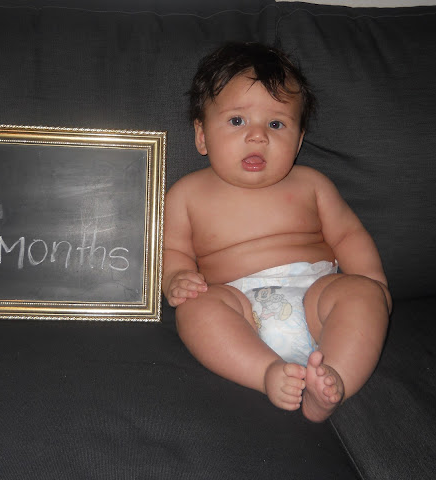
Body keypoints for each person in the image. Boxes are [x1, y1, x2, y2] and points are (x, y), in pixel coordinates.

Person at [162, 42, 392, 422]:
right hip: (239, 310)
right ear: (201, 135)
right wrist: (176, 278)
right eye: (237, 121)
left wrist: (373, 282)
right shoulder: (186, 195)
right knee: (195, 310)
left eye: (276, 124)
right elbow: (173, 252)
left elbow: (348, 236)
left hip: (317, 297)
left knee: (363, 295)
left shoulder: (312, 184)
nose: (258, 136)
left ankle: (332, 381)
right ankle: (266, 372)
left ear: (298, 140)